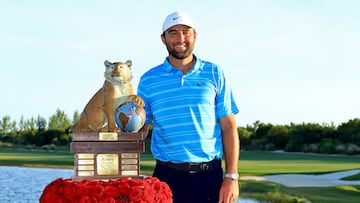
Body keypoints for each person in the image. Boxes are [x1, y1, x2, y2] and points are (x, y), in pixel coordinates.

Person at [137, 11, 240, 203]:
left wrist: (231, 177)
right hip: (166, 177)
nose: (180, 38)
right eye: (173, 32)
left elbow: (229, 127)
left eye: (186, 32)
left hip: (209, 177)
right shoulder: (148, 80)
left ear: (195, 35)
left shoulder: (214, 73)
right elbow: (141, 128)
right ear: (163, 38)